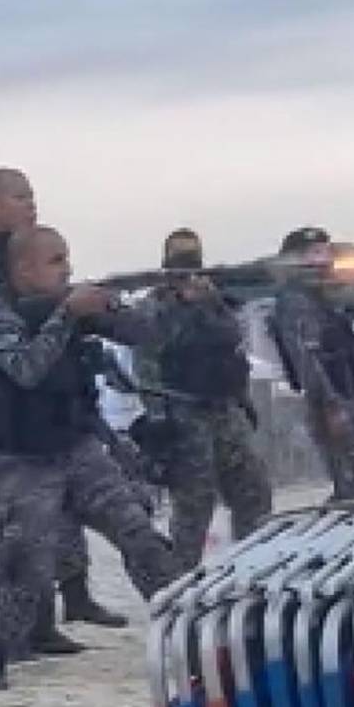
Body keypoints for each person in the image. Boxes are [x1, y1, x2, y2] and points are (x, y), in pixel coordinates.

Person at [0, 225, 179, 689]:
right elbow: (25, 368)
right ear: (23, 267)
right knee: (23, 563)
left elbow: (142, 334)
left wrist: (151, 297)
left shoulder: (67, 303)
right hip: (16, 460)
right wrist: (67, 313)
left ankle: (182, 628)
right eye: (56, 261)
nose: (67, 269)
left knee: (136, 529)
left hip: (74, 447)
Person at [0, 169, 125, 643]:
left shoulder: (30, 251)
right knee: (13, 525)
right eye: (20, 196)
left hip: (45, 390)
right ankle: (9, 633)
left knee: (58, 507)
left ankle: (56, 613)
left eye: (32, 195)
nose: (32, 204)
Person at [136, 229, 272, 572]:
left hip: (224, 408)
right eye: (180, 258)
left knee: (253, 493)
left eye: (193, 257)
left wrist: (209, 304)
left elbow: (231, 342)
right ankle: (181, 578)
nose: (188, 265)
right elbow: (148, 359)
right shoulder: (154, 306)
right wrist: (158, 418)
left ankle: (251, 566)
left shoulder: (215, 301)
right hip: (183, 412)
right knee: (194, 505)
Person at [270, 227, 354, 500]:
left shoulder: (332, 296)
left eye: (326, 250)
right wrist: (330, 405)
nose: (326, 258)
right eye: (316, 252)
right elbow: (306, 358)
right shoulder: (296, 302)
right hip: (339, 403)